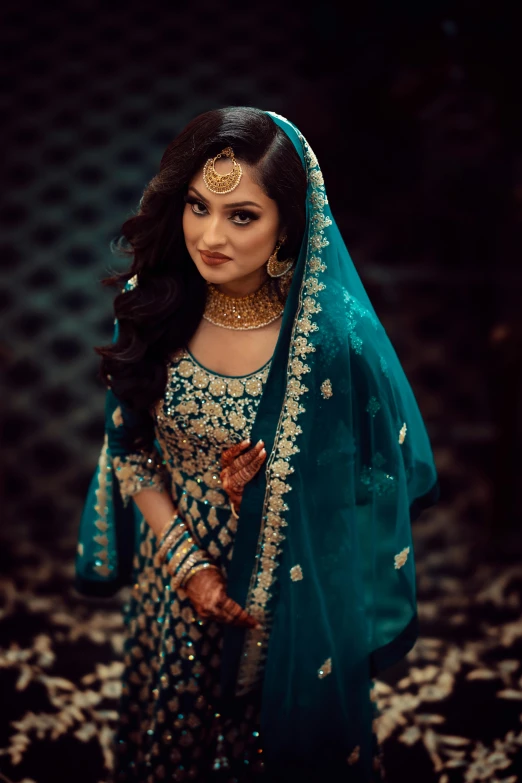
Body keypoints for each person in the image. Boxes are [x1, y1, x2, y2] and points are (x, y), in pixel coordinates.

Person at [75, 107, 439, 783]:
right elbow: (128, 449)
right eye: (196, 205)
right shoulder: (153, 298)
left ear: (285, 230)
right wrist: (188, 564)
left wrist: (273, 494)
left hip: (282, 602)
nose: (209, 236)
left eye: (241, 215)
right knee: (174, 727)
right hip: (174, 573)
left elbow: (372, 489)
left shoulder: (326, 346)